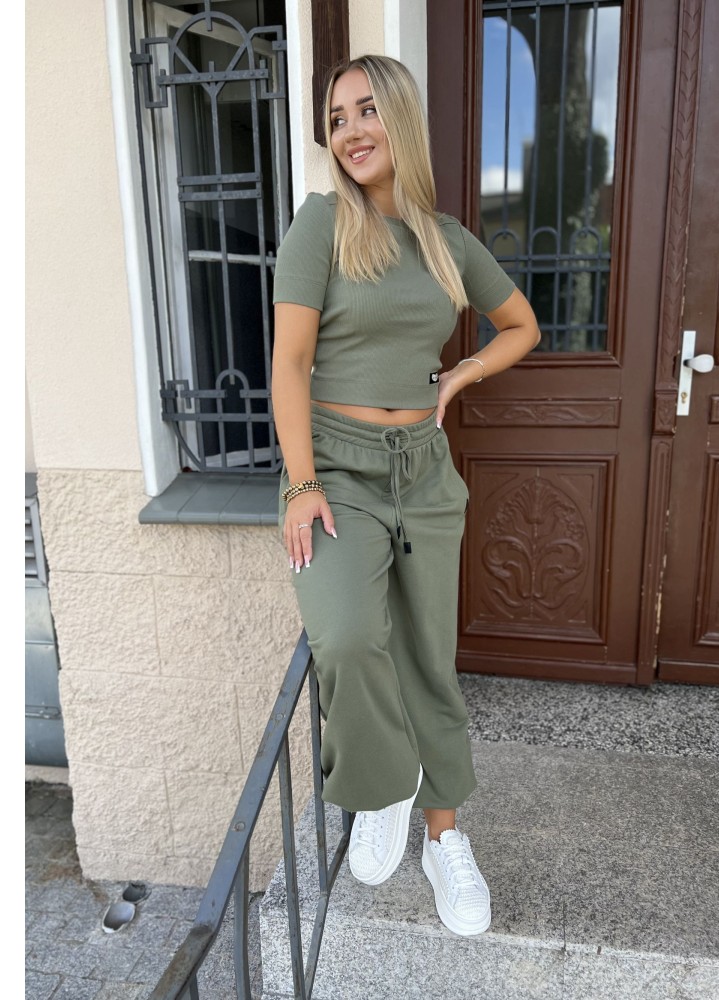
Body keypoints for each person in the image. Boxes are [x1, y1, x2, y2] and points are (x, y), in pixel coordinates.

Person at [272, 54, 540, 937]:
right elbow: (290, 364)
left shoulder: (447, 241)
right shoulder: (320, 224)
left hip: (422, 469)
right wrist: (302, 483)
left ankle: (445, 836)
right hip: (336, 467)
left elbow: (522, 326)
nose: (350, 131)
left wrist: (460, 375)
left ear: (401, 120)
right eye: (336, 117)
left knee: (430, 656)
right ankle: (384, 783)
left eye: (366, 111)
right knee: (350, 635)